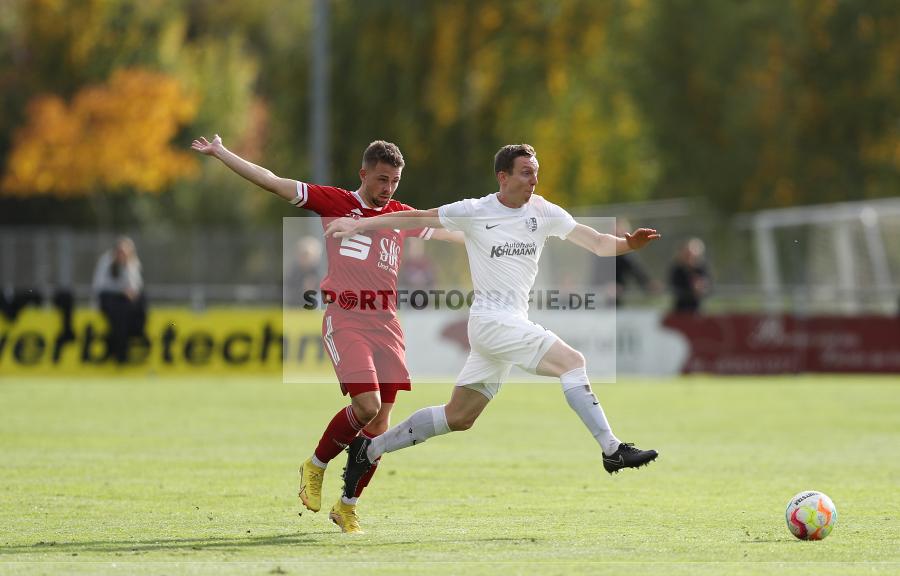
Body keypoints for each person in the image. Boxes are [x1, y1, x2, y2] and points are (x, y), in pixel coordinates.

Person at [326, 144, 661, 521]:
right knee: (573, 362)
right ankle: (611, 448)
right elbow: (413, 218)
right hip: (492, 321)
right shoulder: (475, 210)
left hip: (503, 326)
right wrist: (359, 224)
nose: (533, 180)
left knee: (459, 416)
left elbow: (597, 242)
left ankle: (367, 451)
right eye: (524, 172)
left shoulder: (543, 212)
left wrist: (628, 244)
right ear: (502, 177)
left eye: (535, 172)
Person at [191, 135, 462, 534]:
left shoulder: (399, 214)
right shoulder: (335, 202)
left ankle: (347, 505)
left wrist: (498, 235)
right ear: (363, 174)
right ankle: (315, 465)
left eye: (395, 182)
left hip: (387, 325)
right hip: (347, 318)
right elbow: (272, 180)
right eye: (382, 179)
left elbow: (450, 232)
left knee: (380, 425)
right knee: (367, 405)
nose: (388, 189)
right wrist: (222, 153)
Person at [91, 236, 147, 364]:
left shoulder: (132, 263)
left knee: (139, 302)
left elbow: (136, 286)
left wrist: (127, 268)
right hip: (109, 299)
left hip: (125, 302)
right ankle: (120, 353)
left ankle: (136, 333)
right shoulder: (106, 261)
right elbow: (100, 285)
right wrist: (122, 290)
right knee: (119, 312)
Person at [591, 219, 661, 306]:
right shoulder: (601, 253)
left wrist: (648, 284)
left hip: (618, 300)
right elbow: (595, 276)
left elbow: (636, 271)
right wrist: (606, 286)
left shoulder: (625, 255)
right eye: (616, 234)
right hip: (600, 299)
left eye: (620, 235)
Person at [669, 237, 710, 313]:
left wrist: (702, 289)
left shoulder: (701, 269)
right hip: (680, 310)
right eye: (687, 254)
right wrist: (692, 291)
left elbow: (708, 288)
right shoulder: (677, 269)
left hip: (697, 310)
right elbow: (675, 289)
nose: (690, 257)